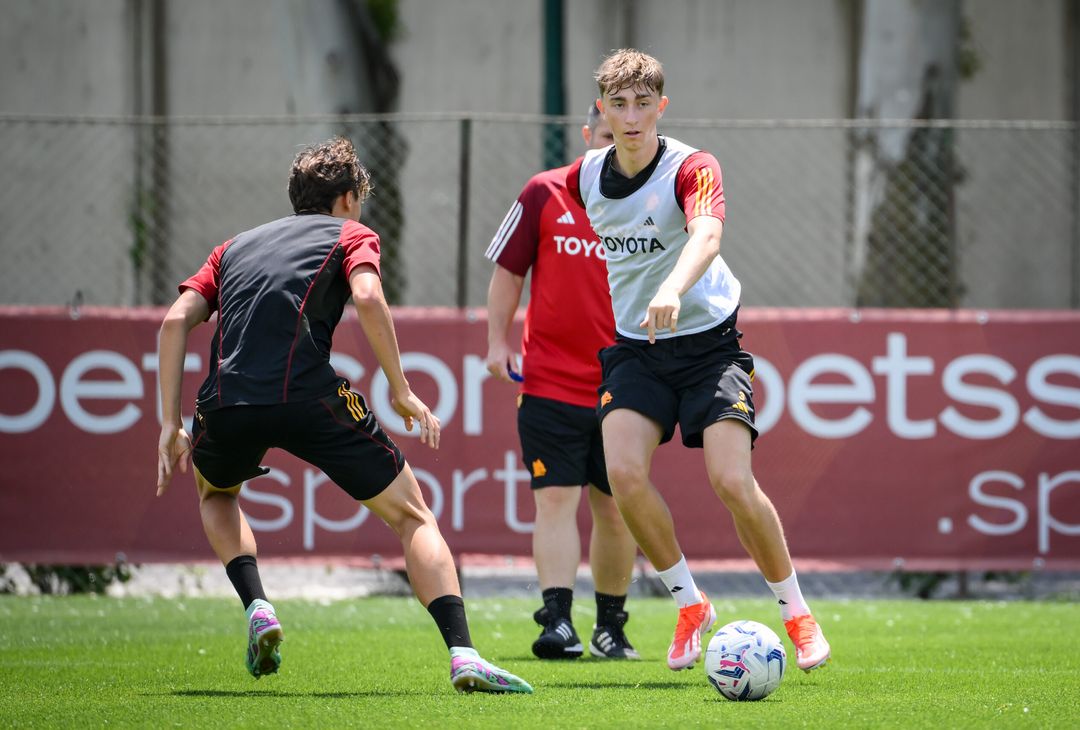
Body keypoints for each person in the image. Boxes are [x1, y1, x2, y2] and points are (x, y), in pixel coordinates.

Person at [154, 137, 532, 694]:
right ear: (350, 197)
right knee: (414, 518)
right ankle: (464, 655)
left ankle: (257, 604)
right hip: (311, 396)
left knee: (215, 494)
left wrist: (169, 423)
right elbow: (370, 298)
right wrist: (401, 391)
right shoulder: (352, 233)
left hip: (227, 403)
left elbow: (173, 322)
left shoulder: (232, 247)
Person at [566, 49, 832, 673]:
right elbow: (539, 208)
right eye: (618, 105)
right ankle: (690, 604)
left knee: (731, 482)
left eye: (642, 104)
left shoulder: (693, 166)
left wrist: (671, 286)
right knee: (622, 474)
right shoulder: (583, 177)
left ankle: (796, 612)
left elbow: (707, 235)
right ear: (601, 109)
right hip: (636, 349)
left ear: (662, 106)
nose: (631, 118)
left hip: (710, 344)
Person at [485, 106, 640, 660]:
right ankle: (558, 623)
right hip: (548, 381)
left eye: (627, 135)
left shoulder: (654, 200)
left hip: (626, 384)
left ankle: (610, 628)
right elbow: (508, 271)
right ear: (586, 136)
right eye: (605, 134)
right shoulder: (542, 193)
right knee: (555, 499)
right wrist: (497, 341)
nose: (615, 144)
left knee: (617, 507)